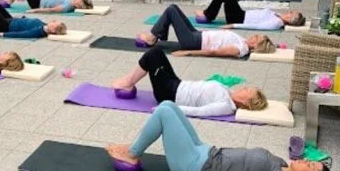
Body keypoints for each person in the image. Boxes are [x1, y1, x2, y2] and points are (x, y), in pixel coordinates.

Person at [106, 101, 340, 171]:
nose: (307, 160)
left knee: (164, 113)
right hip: (206, 152)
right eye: (312, 161)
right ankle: (133, 147)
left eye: (311, 166)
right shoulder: (281, 164)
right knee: (169, 105)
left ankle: (133, 153)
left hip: (196, 168)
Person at [112, 47, 267, 117]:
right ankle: (128, 80)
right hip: (178, 84)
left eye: (247, 91)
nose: (244, 88)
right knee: (158, 52)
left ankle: (127, 82)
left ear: (246, 102)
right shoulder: (228, 92)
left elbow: (199, 112)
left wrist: (166, 108)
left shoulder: (226, 106)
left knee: (152, 55)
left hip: (170, 94)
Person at [138, 4, 276, 58]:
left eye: (256, 38)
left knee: (171, 11)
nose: (254, 36)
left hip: (193, 42)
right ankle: (157, 35)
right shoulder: (244, 41)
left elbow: (213, 52)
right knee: (174, 8)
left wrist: (187, 52)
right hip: (197, 35)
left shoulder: (241, 48)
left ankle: (152, 37)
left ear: (256, 46)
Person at [195, 0, 306, 30]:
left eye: (291, 13)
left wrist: (233, 25)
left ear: (290, 19)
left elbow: (257, 26)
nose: (289, 11)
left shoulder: (276, 23)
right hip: (241, 14)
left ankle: (207, 15)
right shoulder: (279, 17)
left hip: (238, 18)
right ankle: (208, 14)